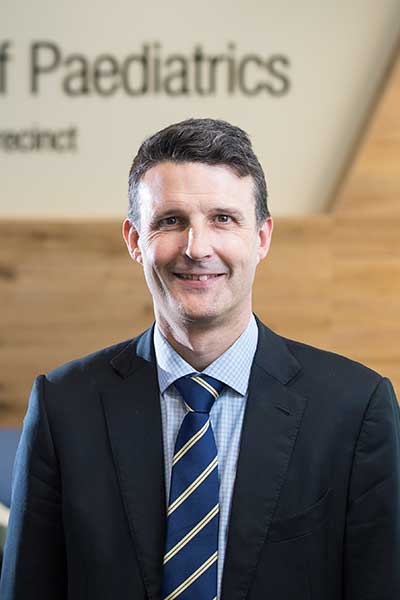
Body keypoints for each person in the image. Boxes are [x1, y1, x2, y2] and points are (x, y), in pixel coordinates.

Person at [1, 118, 399, 600]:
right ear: (134, 240)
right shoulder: (63, 407)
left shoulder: (356, 409)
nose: (197, 248)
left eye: (223, 219)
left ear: (262, 238)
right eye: (171, 221)